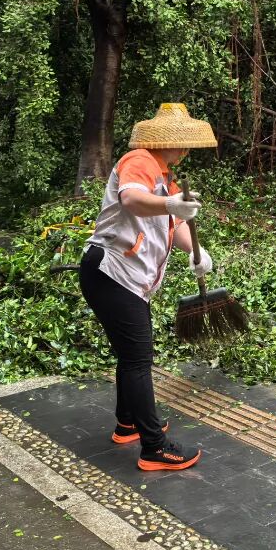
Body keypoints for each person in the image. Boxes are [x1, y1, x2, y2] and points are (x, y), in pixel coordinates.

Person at [79, 103, 217, 472]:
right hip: (111, 272)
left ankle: (128, 424)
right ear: (168, 141)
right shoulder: (139, 160)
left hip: (125, 278)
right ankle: (155, 447)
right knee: (139, 359)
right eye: (183, 144)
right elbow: (132, 199)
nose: (186, 151)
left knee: (131, 356)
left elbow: (177, 221)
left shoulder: (164, 176)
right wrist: (170, 202)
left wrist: (197, 252)